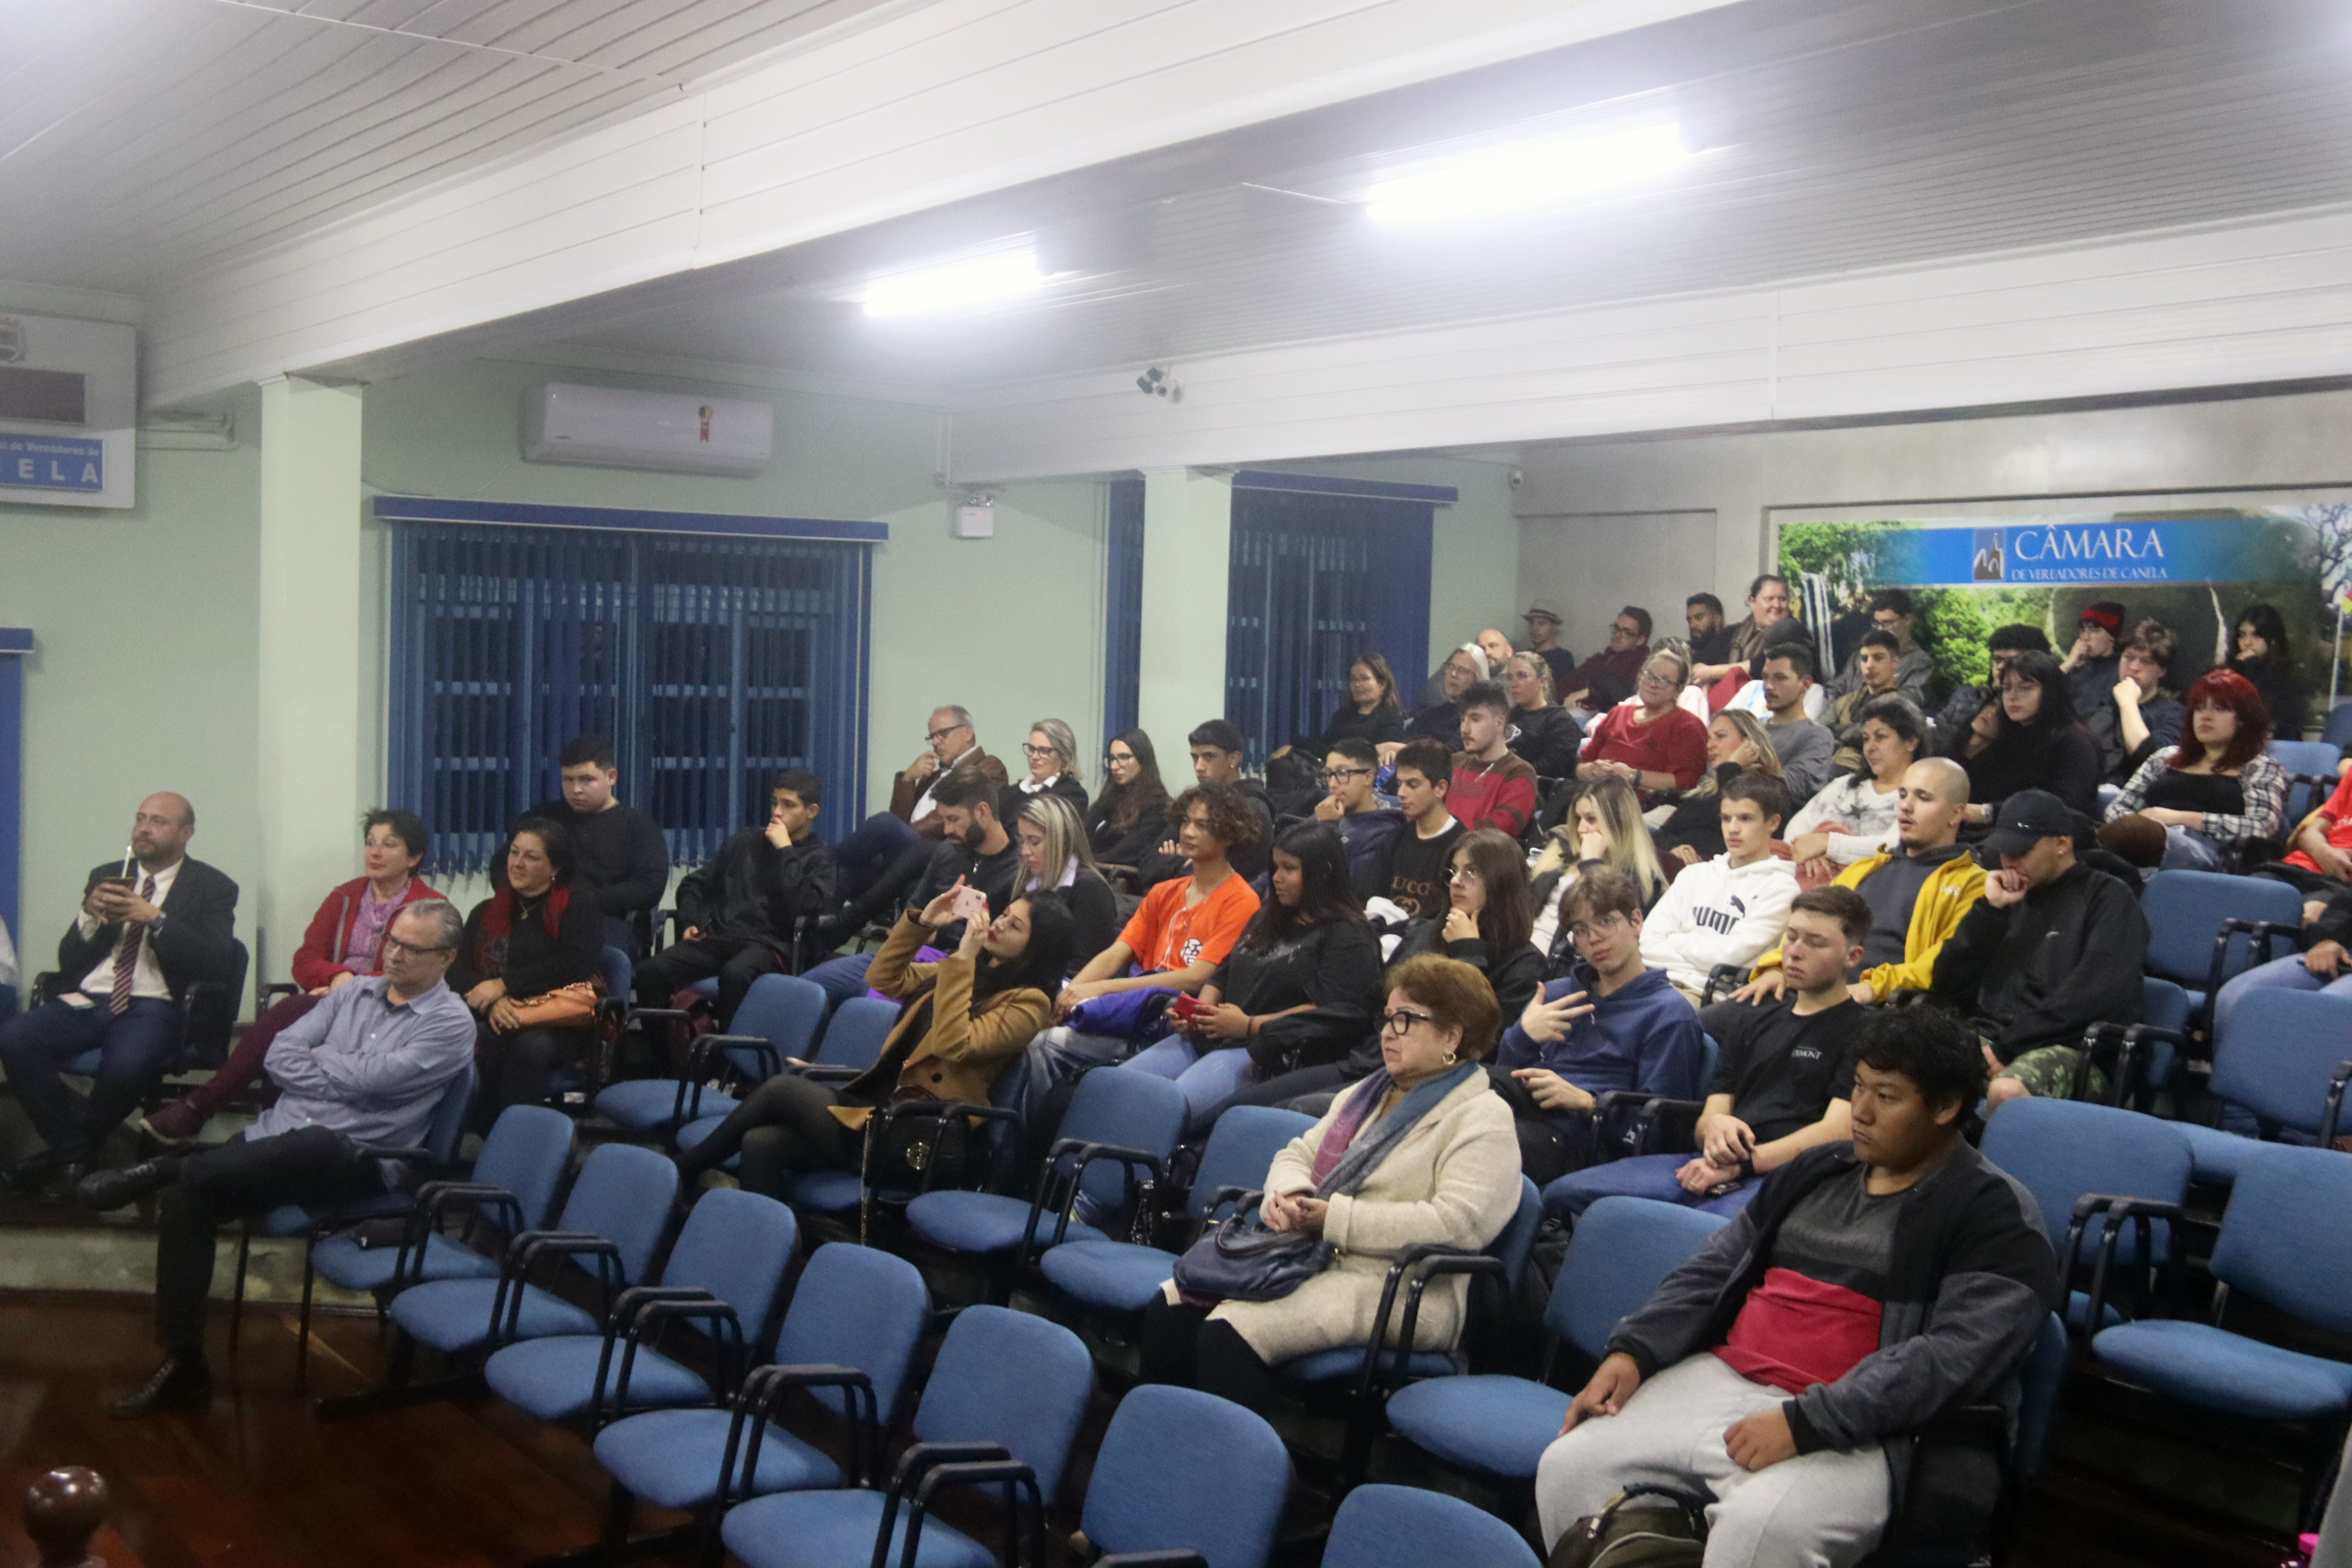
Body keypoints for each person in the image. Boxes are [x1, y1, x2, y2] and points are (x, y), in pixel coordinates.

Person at [1535, 1006, 2059, 1568]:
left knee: (1762, 1529)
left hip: (1868, 1426)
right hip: (1724, 1378)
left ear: (1946, 1107)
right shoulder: (1819, 1168)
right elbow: (1713, 1268)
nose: (1860, 1111)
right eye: (1858, 1086)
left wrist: (1807, 1422)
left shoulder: (1995, 1212)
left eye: (1886, 1096)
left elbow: (1954, 1358)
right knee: (1570, 1466)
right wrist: (1634, 1350)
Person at [81, 901, 475, 1418]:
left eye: (412, 949)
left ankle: (160, 1167)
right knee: (185, 1200)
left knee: (316, 1140)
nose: (395, 955)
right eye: (392, 941)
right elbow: (279, 1055)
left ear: (446, 957)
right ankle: (183, 1364)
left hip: (359, 1161)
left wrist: (322, 1061)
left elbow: (376, 1081)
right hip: (275, 1142)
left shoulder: (451, 1024)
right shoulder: (352, 991)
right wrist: (342, 1071)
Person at [1139, 955, 1521, 1414]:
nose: (1387, 1032)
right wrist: (1292, 1195)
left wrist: (1333, 1219)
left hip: (1400, 1286)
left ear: (1452, 1037)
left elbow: (1459, 1224)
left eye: (1405, 1020)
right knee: (1171, 1308)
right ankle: (1164, 1444)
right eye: (1387, 1018)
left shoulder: (1482, 1117)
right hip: (1312, 1256)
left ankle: (1237, 1460)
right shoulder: (1368, 1092)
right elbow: (1297, 1153)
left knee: (1228, 1335)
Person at [673, 886, 1075, 1201]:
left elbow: (953, 1043)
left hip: (924, 1140)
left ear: (1036, 948)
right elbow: (884, 978)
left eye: (1015, 926)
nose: (999, 924)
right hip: (886, 1112)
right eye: (1004, 915)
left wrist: (964, 959)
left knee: (781, 1089)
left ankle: (679, 1172)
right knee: (761, 1144)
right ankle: (773, 1251)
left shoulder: (1029, 1003)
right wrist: (922, 923)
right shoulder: (964, 971)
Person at [1552, 887, 1873, 1220]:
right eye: (1791, 937)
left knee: (1709, 1233)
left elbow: (1837, 1132)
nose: (1795, 951)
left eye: (1815, 943)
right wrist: (1715, 1127)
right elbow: (1709, 1117)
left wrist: (1744, 1164)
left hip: (1787, 1174)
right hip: (1717, 1163)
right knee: (1565, 1193)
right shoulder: (1751, 1018)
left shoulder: (1864, 1032)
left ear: (1853, 956)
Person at [141, 810, 442, 1147]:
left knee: (289, 1012)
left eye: (389, 845)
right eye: (370, 843)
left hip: (386, 1009)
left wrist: (351, 984)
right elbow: (305, 958)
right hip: (328, 998)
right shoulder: (344, 897)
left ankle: (202, 1109)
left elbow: (415, 969)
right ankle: (271, 1138)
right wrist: (336, 975)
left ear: (413, 857)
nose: (375, 852)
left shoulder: (431, 909)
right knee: (291, 1036)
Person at [0, 794, 240, 1198]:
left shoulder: (212, 886)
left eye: (158, 821)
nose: (144, 828)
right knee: (13, 1038)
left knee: (125, 1067)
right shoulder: (109, 874)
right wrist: (88, 917)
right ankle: (74, 1152)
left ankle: (65, 1158)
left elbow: (217, 961)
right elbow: (69, 961)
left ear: (186, 833)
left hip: (155, 1004)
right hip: (90, 999)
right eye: (141, 818)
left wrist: (157, 919)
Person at [998, 784, 1263, 1124]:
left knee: (1045, 1044)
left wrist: (1098, 989)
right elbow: (1116, 953)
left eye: (1202, 825)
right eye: (1186, 821)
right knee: (1028, 1032)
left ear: (1229, 834)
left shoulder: (1241, 900)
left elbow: (1197, 976)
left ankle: (1020, 1141)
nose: (1187, 831)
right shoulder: (1164, 891)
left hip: (1168, 1022)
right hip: (1128, 1010)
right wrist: (1066, 997)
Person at [1122, 823, 1382, 1131]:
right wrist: (1200, 1011)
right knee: (1123, 1089)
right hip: (1216, 1035)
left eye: (1289, 869)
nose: (1276, 877)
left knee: (1158, 1112)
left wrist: (1250, 1025)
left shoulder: (1348, 935)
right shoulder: (1268, 916)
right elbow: (1225, 970)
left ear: (1323, 872)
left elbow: (1333, 1013)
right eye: (1276, 866)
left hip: (1267, 1052)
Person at [1930, 790, 2147, 1106]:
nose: (2009, 862)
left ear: (2062, 843)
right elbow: (1944, 983)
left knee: (2006, 1090)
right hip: (1992, 1034)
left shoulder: (2108, 897)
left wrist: (2008, 1048)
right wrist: (1989, 913)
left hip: (2074, 1049)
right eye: (2004, 851)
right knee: (1894, 1062)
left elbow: (2093, 995)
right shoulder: (2004, 901)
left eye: (2021, 851)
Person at [1494, 867, 1704, 1186]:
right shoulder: (1555, 995)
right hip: (1524, 1113)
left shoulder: (1668, 1012)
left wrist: (1587, 1102)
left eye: (1605, 922)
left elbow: (1660, 1130)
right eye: (1581, 930)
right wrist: (1521, 1037)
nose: (1593, 939)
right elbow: (1504, 1072)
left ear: (1636, 921)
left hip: (1584, 1143)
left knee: (1482, 1143)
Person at [1740, 759, 1985, 1007]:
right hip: (1809, 993)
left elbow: (1942, 963)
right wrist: (1776, 968)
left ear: (1956, 814)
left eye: (1923, 797)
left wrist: (1873, 988)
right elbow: (1804, 927)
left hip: (1879, 1008)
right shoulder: (1863, 869)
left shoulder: (1972, 883)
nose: (1905, 806)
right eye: (1903, 795)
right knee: (1724, 1017)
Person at [802, 768, 1025, 1007]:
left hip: (958, 969)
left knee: (868, 1004)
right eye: (944, 819)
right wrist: (916, 928)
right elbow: (914, 907)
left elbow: (1004, 946)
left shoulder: (1020, 870)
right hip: (907, 955)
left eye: (953, 819)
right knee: (804, 989)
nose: (946, 830)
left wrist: (938, 932)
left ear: (982, 811)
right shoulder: (949, 851)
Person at [631, 770, 838, 1026]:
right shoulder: (745, 843)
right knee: (650, 971)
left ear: (811, 811)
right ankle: (667, 1048)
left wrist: (785, 850)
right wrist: (691, 922)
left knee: (735, 974)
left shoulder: (821, 859)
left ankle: (731, 1050)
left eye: (788, 805)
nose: (777, 812)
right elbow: (693, 885)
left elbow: (804, 907)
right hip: (722, 938)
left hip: (772, 946)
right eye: (774, 802)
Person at [452, 817, 605, 1122]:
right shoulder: (486, 910)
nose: (517, 864)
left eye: (531, 857)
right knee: (469, 1037)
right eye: (514, 852)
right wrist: (493, 1001)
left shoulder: (578, 905)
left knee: (528, 1049)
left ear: (555, 867)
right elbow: (456, 969)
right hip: (495, 1011)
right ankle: (479, 1131)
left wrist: (505, 984)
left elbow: (575, 964)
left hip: (555, 1018)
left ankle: (516, 1135)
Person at [826, 705, 1009, 914]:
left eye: (943, 733)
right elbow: (898, 817)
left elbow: (947, 819)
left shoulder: (988, 766)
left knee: (885, 824)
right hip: (908, 853)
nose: (936, 742)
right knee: (844, 872)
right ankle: (819, 928)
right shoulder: (934, 774)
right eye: (932, 736)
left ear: (967, 732)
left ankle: (820, 859)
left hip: (942, 850)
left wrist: (898, 832)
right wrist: (908, 779)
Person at [2101, 669, 2285, 872]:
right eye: (2199, 708)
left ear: (2243, 719)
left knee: (2130, 834)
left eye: (2219, 709)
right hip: (2144, 838)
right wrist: (2143, 823)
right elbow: (2116, 808)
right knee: (2081, 828)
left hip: (2213, 852)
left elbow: (2262, 826)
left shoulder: (2259, 766)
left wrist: (2180, 819)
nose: (2205, 717)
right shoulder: (2165, 757)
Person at [1640, 773, 1800, 1002]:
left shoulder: (1782, 888)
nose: (1732, 829)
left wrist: (1675, 940)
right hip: (1653, 982)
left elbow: (1728, 957)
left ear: (1772, 823)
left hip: (1709, 997)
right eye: (1726, 818)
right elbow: (1647, 942)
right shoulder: (1694, 874)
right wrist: (1699, 956)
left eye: (1745, 819)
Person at [526, 735, 670, 955]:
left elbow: (649, 886)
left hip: (610, 919)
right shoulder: (543, 819)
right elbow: (505, 863)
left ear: (611, 777)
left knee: (582, 950)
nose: (575, 789)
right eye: (568, 779)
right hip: (545, 913)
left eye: (586, 780)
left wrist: (581, 903)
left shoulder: (638, 827)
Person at [1528, 777, 1668, 961]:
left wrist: (1591, 865)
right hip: (1525, 951)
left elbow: (1602, 933)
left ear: (1618, 823)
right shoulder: (1560, 851)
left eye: (1591, 819)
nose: (1581, 828)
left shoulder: (1638, 878)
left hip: (1562, 964)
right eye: (1578, 818)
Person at [1956, 650, 2101, 824]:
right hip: (2000, 829)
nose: (2012, 696)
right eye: (2007, 688)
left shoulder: (2075, 742)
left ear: (2050, 691)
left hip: (2051, 835)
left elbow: (2065, 807)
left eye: (2025, 688)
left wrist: (1989, 812)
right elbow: (1978, 785)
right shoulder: (2013, 734)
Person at [1788, 697, 1927, 877]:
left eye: (1880, 737)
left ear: (1911, 742)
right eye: (1866, 739)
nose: (1870, 747)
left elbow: (1895, 845)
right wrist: (1807, 854)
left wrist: (1827, 844)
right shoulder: (1844, 785)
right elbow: (1797, 826)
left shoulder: (1919, 797)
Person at [1652, 710, 1786, 869]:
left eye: (1720, 736)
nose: (1710, 745)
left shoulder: (1771, 788)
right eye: (1708, 739)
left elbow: (1727, 824)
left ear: (1749, 742)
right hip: (1676, 866)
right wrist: (1675, 848)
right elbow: (1663, 834)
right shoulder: (1705, 791)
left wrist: (1731, 767)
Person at [1578, 648, 1709, 801]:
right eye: (1649, 675)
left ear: (1678, 690)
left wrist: (1634, 776)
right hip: (1593, 797)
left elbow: (1687, 781)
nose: (1652, 684)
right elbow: (1583, 764)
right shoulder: (1618, 713)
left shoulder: (1687, 725)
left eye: (1663, 680)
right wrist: (1590, 770)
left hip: (1642, 805)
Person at [1009, 793, 1119, 972]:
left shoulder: (1091, 890)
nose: (1024, 851)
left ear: (1060, 841)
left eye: (1034, 842)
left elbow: (1084, 966)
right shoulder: (1026, 883)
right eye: (1022, 842)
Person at [1368, 739, 1464, 921]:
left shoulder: (1461, 846)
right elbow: (1371, 898)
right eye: (1399, 783)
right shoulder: (1394, 838)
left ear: (1440, 788)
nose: (1401, 793)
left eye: (1412, 784)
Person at [1173, 720, 1276, 883]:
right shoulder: (1197, 802)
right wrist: (1182, 861)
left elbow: (1221, 873)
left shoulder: (1253, 808)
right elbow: (1149, 861)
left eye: (1209, 756)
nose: (1198, 766)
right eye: (1195, 757)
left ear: (1233, 759)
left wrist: (1179, 860)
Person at [2090, 618, 2185, 784]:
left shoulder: (2172, 712)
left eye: (2146, 661)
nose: (2134, 667)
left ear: (2162, 671)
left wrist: (2128, 703)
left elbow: (2154, 761)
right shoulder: (2100, 702)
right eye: (2128, 657)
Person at [1933, 624, 2051, 755]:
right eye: (1997, 660)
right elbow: (1935, 734)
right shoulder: (1968, 696)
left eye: (2013, 661)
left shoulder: (2033, 715)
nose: (2001, 667)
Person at [1313, 737, 1402, 897]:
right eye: (1328, 774)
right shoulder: (1325, 812)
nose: (1332, 784)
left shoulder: (1383, 833)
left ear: (1368, 777)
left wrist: (1327, 829)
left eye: (1342, 773)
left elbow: (1346, 891)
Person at [1449, 681, 1541, 838]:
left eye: (1475, 719)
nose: (1464, 729)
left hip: (1480, 852)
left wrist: (1441, 835)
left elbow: (1498, 833)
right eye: (1463, 719)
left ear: (1499, 723)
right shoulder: (1453, 762)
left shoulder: (1519, 773)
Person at [1752, 645, 1837, 804]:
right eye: (1765, 677)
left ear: (1805, 684)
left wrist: (1735, 769)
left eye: (1780, 678)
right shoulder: (1750, 728)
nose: (1769, 686)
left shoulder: (1816, 735)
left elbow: (1793, 786)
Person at [1827, 591, 1934, 707]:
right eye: (1877, 624)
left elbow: (1907, 699)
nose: (1880, 630)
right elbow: (1835, 688)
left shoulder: (1919, 662)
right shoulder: (1859, 656)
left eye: (1887, 623)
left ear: (1907, 619)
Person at [1087, 728, 1173, 869]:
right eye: (1112, 758)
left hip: (1121, 877)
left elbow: (1125, 853)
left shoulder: (1158, 805)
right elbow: (1083, 833)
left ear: (1142, 759)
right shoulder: (1109, 797)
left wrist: (1084, 862)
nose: (1114, 766)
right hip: (1094, 870)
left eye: (1123, 757)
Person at [1824, 631, 1906, 773]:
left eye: (1878, 658)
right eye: (1864, 659)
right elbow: (1819, 729)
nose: (1869, 665)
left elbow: (1862, 733)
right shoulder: (1847, 700)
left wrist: (1837, 731)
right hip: (1827, 764)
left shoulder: (1896, 705)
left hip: (1859, 771)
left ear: (1895, 662)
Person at [1691, 574, 1792, 688]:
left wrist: (1710, 672)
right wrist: (1701, 672)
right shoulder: (1733, 633)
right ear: (1752, 602)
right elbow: (1700, 659)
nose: (1777, 605)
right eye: (1769, 599)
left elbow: (1763, 664)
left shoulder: (1793, 633)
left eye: (1782, 599)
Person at [2228, 601, 2307, 739]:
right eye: (2242, 635)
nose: (2247, 642)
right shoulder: (2228, 673)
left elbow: (2271, 717)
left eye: (2256, 635)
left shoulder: (2286, 681)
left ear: (2273, 640)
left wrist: (2254, 667)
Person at [1557, 607, 1653, 714]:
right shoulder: (1600, 659)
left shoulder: (1645, 666)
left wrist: (1588, 693)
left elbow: (1623, 695)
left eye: (1627, 632)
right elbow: (1565, 685)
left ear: (1640, 640)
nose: (1618, 635)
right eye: (1616, 628)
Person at [1308, 654, 1408, 758]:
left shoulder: (1390, 718)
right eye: (1353, 679)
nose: (1357, 684)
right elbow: (1324, 746)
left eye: (1364, 679)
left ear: (1381, 685)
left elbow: (1385, 753)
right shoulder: (1342, 715)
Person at [1503, 652, 1584, 780]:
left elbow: (1553, 766)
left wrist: (1512, 775)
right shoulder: (1507, 716)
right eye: (1510, 677)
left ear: (1542, 680)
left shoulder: (1561, 721)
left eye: (1522, 676)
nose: (1514, 683)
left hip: (1541, 786)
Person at [1401, 645, 1485, 758]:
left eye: (1462, 670)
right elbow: (1404, 738)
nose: (1453, 674)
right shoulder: (1433, 712)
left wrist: (1398, 748)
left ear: (1478, 678)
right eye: (1450, 666)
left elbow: (1449, 753)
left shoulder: (1475, 718)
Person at [1003, 718, 1089, 820]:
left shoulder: (1073, 795)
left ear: (1063, 755)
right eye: (1031, 749)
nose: (1034, 756)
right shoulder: (1009, 792)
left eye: (1044, 750)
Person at [2060, 601, 2128, 722]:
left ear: (2111, 635)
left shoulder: (2122, 670)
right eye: (2083, 630)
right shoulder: (2077, 668)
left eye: (2093, 630)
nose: (2085, 637)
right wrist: (2069, 663)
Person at [1523, 605, 1580, 695]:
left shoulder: (1563, 658)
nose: (1534, 628)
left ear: (1553, 627)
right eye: (1531, 623)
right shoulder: (1524, 655)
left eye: (1541, 624)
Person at [1686, 592, 1733, 668]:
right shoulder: (1686, 649)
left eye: (1699, 618)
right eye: (1689, 620)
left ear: (1717, 619)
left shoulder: (1731, 640)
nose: (1692, 625)